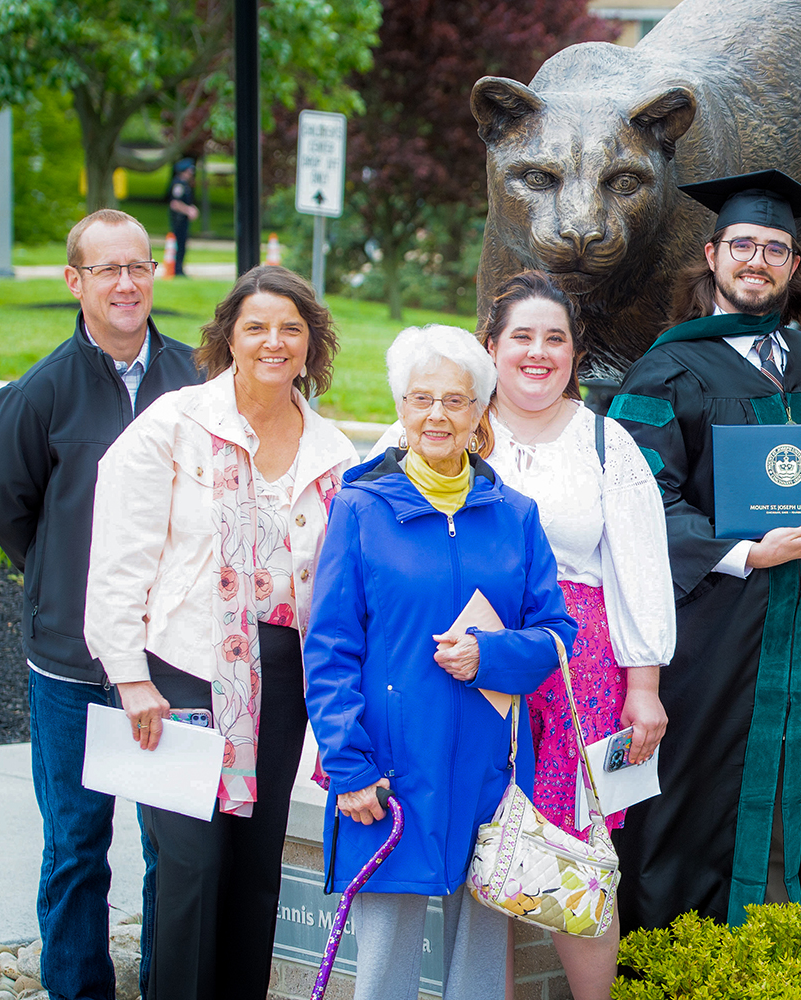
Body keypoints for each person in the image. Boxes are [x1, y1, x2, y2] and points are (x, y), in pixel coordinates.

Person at [371, 271, 674, 1000]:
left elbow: (638, 566)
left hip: (575, 672)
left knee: (572, 847)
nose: (538, 354)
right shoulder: (442, 422)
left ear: (575, 352)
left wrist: (645, 687)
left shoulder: (606, 444)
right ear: (491, 347)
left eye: (555, 339)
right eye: (521, 338)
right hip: (457, 664)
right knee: (484, 849)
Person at [83, 265, 355, 1000]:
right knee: (192, 866)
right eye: (257, 326)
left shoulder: (334, 452)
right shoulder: (177, 425)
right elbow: (118, 554)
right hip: (182, 672)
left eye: (291, 328)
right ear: (228, 336)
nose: (274, 342)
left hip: (285, 681)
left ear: (311, 343)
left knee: (253, 864)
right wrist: (130, 677)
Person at [305, 324, 580, 999]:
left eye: (455, 401)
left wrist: (489, 655)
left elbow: (556, 634)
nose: (436, 415)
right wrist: (349, 767)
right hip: (389, 778)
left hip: (490, 776)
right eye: (421, 398)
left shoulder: (515, 515)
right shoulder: (360, 508)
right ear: (400, 407)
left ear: (480, 412)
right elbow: (330, 647)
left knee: (481, 971)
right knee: (385, 974)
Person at [608, 168, 801, 930]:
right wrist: (743, 552)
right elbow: (642, 509)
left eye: (776, 248)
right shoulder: (670, 367)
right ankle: (678, 964)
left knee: (795, 788)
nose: (758, 260)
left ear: (794, 267)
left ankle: (777, 956)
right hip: (711, 629)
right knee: (697, 793)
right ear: (712, 256)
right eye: (743, 244)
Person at [0, 209, 198, 1000]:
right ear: (75, 281)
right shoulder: (37, 395)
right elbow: (11, 513)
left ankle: (168, 984)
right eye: (106, 270)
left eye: (137, 266)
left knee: (172, 842)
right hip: (72, 665)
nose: (126, 283)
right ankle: (80, 990)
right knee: (77, 841)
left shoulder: (196, 384)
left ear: (155, 274)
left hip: (171, 660)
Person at [168, 159, 200, 277]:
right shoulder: (178, 184)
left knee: (183, 244)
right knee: (179, 244)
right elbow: (175, 203)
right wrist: (188, 210)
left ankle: (180, 268)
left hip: (183, 220)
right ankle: (177, 269)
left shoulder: (185, 184)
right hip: (178, 220)